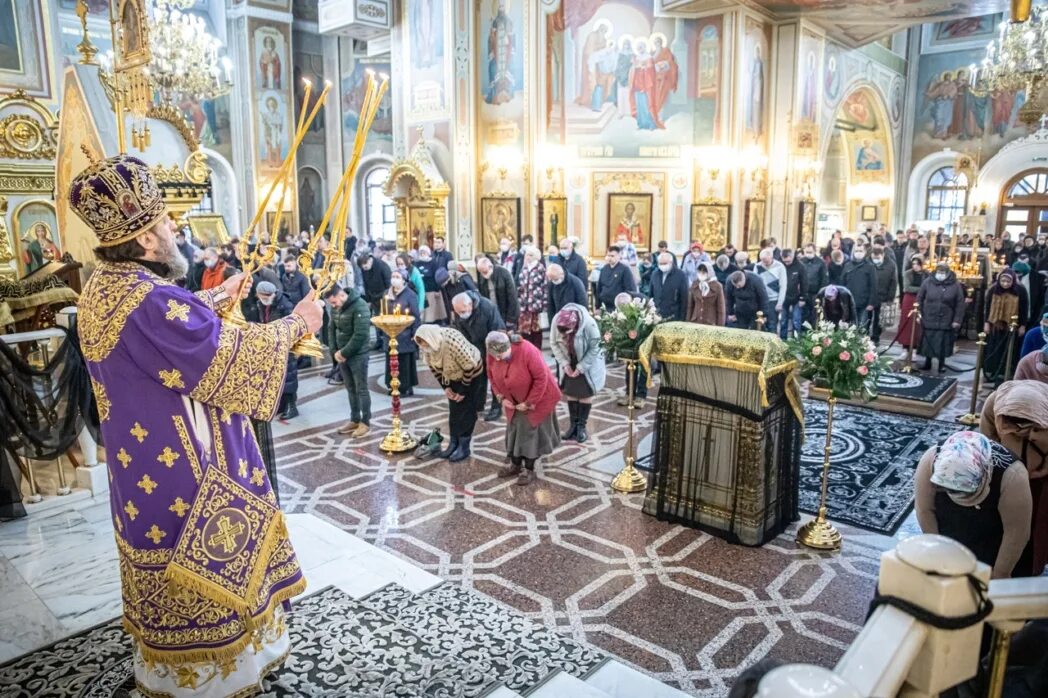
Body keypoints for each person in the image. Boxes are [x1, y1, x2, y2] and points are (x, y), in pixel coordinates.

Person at [69, 154, 323, 696]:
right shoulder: (150, 298)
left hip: (139, 472)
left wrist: (211, 298)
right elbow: (221, 354)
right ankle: (214, 676)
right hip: (184, 470)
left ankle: (168, 665)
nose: (175, 229)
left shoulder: (103, 287)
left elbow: (162, 325)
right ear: (144, 243)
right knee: (205, 563)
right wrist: (297, 324)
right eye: (165, 224)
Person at [915, 430, 1031, 578]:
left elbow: (1016, 533)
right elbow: (924, 510)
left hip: (995, 542)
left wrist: (1000, 574)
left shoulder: (1013, 476)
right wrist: (940, 555)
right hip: (951, 533)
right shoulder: (931, 461)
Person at [980, 380, 1048, 576]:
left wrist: (1037, 472)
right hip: (1004, 474)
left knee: (1036, 526)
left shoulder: (1042, 415)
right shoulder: (995, 403)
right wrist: (1005, 470)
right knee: (1004, 519)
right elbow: (988, 440)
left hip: (1040, 483)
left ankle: (1031, 567)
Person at [487, 332, 562, 485]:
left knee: (529, 434)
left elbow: (541, 379)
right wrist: (500, 397)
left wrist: (529, 402)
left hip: (539, 397)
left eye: (501, 355)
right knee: (514, 430)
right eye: (496, 356)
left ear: (509, 346)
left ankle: (529, 469)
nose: (498, 359)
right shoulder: (492, 354)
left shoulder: (527, 350)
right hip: (513, 401)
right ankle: (515, 465)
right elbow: (491, 377)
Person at [415, 325, 485, 462]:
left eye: (425, 345)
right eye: (422, 346)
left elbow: (469, 366)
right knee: (454, 410)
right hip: (451, 375)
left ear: (431, 338)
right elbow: (434, 369)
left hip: (472, 374)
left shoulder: (451, 341)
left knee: (466, 410)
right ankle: (453, 443)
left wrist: (463, 391)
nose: (425, 348)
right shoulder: (428, 346)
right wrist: (446, 388)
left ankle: (464, 447)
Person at [550, 305, 605, 443]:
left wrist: (581, 367)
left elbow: (595, 347)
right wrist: (565, 364)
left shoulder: (589, 324)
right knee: (571, 392)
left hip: (587, 362)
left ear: (575, 326)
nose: (563, 336)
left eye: (567, 333)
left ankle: (581, 428)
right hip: (569, 360)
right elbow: (553, 343)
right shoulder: (557, 320)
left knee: (585, 393)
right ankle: (572, 426)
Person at [324, 283, 372, 438]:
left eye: (334, 302)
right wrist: (334, 352)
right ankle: (354, 419)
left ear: (341, 295)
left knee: (361, 389)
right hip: (341, 355)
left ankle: (365, 422)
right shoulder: (335, 307)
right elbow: (331, 329)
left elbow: (360, 334)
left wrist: (344, 352)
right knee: (350, 388)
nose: (333, 306)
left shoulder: (360, 306)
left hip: (358, 354)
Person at [452, 290, 506, 422]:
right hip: (474, 348)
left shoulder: (488, 307)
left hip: (491, 346)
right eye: (458, 312)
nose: (461, 315)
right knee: (477, 377)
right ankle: (478, 404)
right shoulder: (460, 310)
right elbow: (459, 331)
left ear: (470, 304)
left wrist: (495, 353)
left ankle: (496, 407)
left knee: (495, 379)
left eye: (463, 312)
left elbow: (498, 330)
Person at [253, 281, 299, 420]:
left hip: (285, 345)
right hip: (271, 345)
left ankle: (292, 406)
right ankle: (282, 404)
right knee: (276, 377)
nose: (262, 299)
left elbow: (292, 326)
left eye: (265, 296)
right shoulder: (262, 304)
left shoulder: (284, 304)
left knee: (288, 377)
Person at [984, 268, 1029, 386]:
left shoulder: (1020, 290)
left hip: (1012, 326)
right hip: (995, 325)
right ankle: (993, 373)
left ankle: (1006, 373)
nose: (1005, 284)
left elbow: (1024, 309)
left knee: (1009, 350)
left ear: (1012, 281)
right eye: (1003, 281)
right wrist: (987, 322)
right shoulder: (993, 289)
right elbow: (987, 307)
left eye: (1008, 282)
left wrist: (1023, 325)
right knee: (994, 349)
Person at [383, 270, 420, 397]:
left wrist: (414, 334)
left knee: (404, 363)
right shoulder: (387, 294)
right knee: (391, 362)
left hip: (405, 334)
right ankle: (393, 384)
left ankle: (406, 387)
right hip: (390, 334)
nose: (394, 279)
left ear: (404, 279)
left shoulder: (410, 295)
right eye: (393, 276)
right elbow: (383, 311)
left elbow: (415, 315)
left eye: (397, 277)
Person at [516, 245, 548, 349]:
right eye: (526, 255)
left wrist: (544, 305)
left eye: (530, 255)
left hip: (536, 306)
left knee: (536, 331)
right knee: (524, 331)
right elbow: (519, 284)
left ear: (536, 256)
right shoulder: (524, 268)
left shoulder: (541, 268)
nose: (527, 257)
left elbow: (545, 287)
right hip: (524, 306)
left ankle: (536, 353)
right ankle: (526, 352)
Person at [476, 255, 519, 329]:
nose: (483, 275)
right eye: (481, 272)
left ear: (490, 267)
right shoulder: (482, 277)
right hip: (492, 313)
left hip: (505, 311)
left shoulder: (504, 273)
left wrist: (511, 319)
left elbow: (512, 297)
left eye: (485, 272)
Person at [843, 246, 877, 332]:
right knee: (849, 328)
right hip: (849, 302)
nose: (858, 253)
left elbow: (873, 286)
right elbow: (842, 283)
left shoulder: (870, 267)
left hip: (864, 303)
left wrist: (871, 303)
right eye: (856, 251)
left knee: (862, 328)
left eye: (861, 251)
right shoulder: (847, 265)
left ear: (865, 252)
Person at [650, 251, 689, 321]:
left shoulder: (680, 275)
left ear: (671, 263)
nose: (662, 266)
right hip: (657, 315)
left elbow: (684, 298)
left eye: (665, 263)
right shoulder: (655, 274)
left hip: (673, 315)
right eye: (660, 263)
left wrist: (682, 318)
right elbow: (651, 294)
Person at [899, 256, 928, 352]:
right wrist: (922, 289)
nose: (915, 266)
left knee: (918, 325)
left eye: (917, 264)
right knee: (906, 323)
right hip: (909, 299)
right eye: (913, 264)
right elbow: (907, 288)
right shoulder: (908, 274)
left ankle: (916, 348)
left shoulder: (927, 274)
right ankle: (905, 348)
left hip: (921, 300)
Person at [596, 246, 637, 311]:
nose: (610, 258)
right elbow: (599, 288)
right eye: (608, 255)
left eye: (612, 256)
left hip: (618, 307)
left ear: (619, 256)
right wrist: (597, 307)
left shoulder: (624, 270)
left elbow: (630, 289)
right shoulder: (604, 269)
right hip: (604, 306)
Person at [415, 245, 448, 324]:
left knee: (433, 310)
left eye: (424, 252)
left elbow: (436, 277)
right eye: (421, 252)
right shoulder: (416, 263)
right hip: (421, 290)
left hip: (432, 289)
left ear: (428, 253)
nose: (423, 254)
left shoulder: (433, 262)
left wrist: (437, 289)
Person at [778, 249, 807, 339]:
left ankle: (796, 341)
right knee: (783, 321)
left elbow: (804, 283)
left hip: (796, 297)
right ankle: (782, 340)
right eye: (785, 261)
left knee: (796, 320)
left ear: (792, 256)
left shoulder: (800, 266)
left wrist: (803, 298)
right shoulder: (779, 265)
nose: (787, 263)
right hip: (783, 297)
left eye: (788, 261)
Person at [687, 261, 725, 326]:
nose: (702, 273)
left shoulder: (717, 286)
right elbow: (690, 306)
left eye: (704, 271)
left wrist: (720, 326)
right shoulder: (695, 284)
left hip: (710, 323)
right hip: (695, 322)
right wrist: (687, 322)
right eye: (700, 271)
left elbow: (721, 308)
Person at [798, 243, 827, 326]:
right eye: (806, 252)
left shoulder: (820, 263)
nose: (808, 254)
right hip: (804, 293)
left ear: (814, 251)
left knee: (815, 315)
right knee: (803, 315)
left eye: (810, 252)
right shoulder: (801, 262)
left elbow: (824, 279)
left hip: (815, 293)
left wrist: (821, 293)